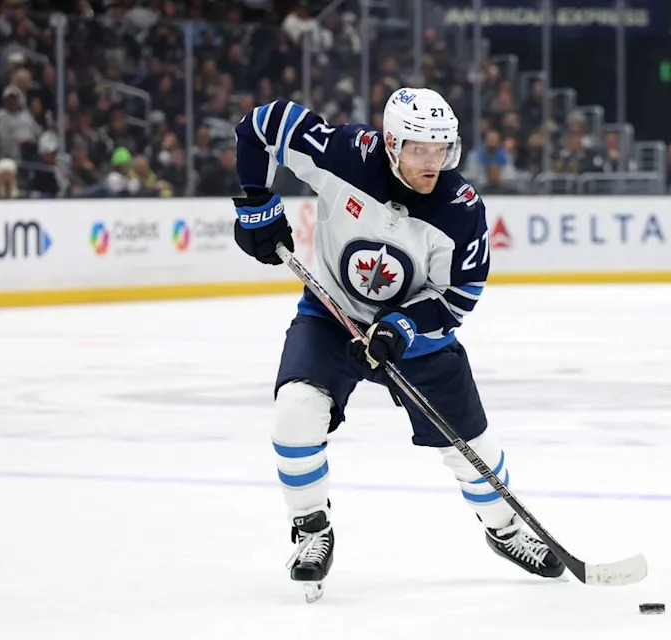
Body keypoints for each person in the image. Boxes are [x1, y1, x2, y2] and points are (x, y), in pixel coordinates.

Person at [230, 87, 564, 601]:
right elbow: (261, 123)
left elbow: (457, 296)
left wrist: (402, 327)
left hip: (415, 341)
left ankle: (505, 529)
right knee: (295, 408)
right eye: (420, 149)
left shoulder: (460, 209)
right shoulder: (342, 154)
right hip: (331, 315)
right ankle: (312, 529)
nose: (434, 162)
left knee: (472, 446)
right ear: (390, 143)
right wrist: (255, 200)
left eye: (443, 149)